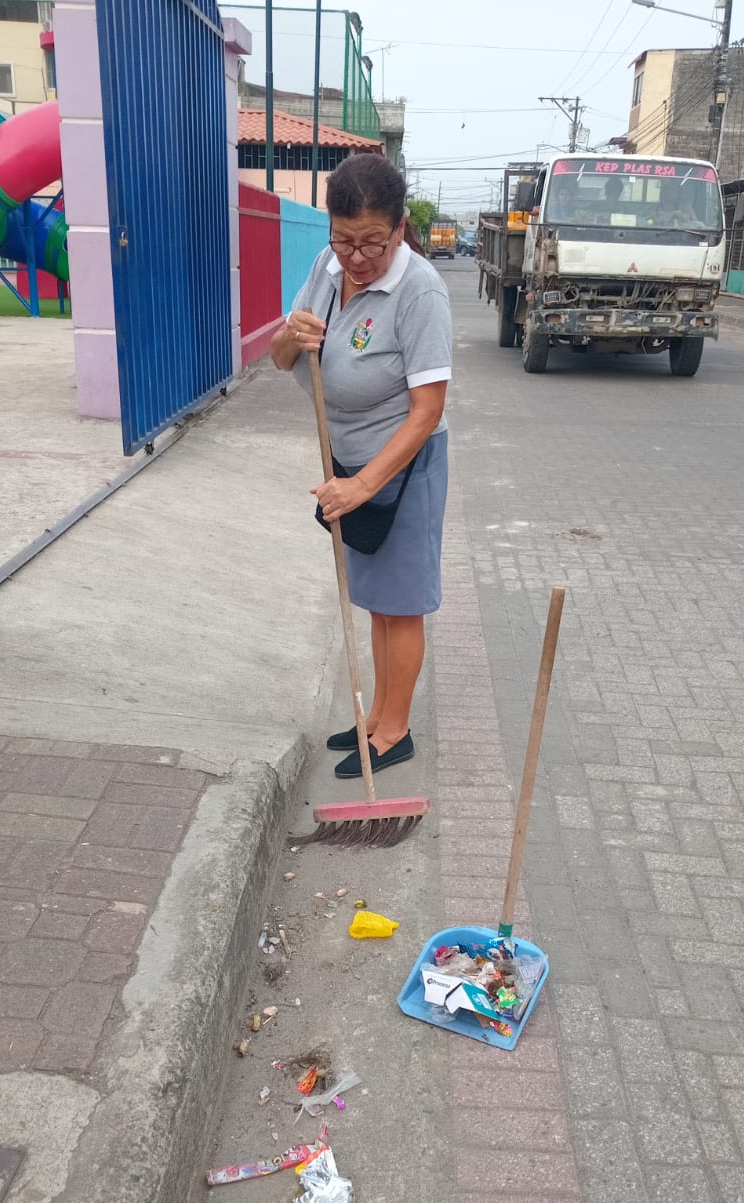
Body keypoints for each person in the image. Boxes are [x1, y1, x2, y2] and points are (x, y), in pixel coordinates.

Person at [270, 154, 452, 780]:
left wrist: (362, 486)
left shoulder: (420, 291)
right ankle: (375, 715)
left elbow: (428, 410)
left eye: (373, 242)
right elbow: (280, 358)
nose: (357, 257)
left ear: (400, 227)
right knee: (376, 600)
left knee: (402, 604)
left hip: (402, 468)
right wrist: (292, 335)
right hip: (350, 463)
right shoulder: (326, 268)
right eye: (344, 240)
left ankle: (395, 731)